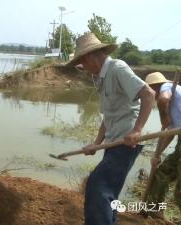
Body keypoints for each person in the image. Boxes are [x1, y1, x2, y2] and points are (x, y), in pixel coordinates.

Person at [67, 33, 155, 225]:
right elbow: (109, 115)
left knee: (97, 187)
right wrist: (96, 143)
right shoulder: (99, 77)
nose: (83, 68)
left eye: (82, 61)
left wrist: (137, 130)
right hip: (114, 141)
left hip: (127, 142)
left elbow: (148, 94)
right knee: (108, 193)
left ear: (90, 56)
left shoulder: (117, 68)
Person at [144, 72, 181, 218]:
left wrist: (163, 117)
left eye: (150, 90)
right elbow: (170, 133)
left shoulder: (167, 88)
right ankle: (155, 210)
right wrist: (156, 154)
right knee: (162, 173)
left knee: (179, 192)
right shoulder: (176, 96)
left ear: (154, 87)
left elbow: (162, 100)